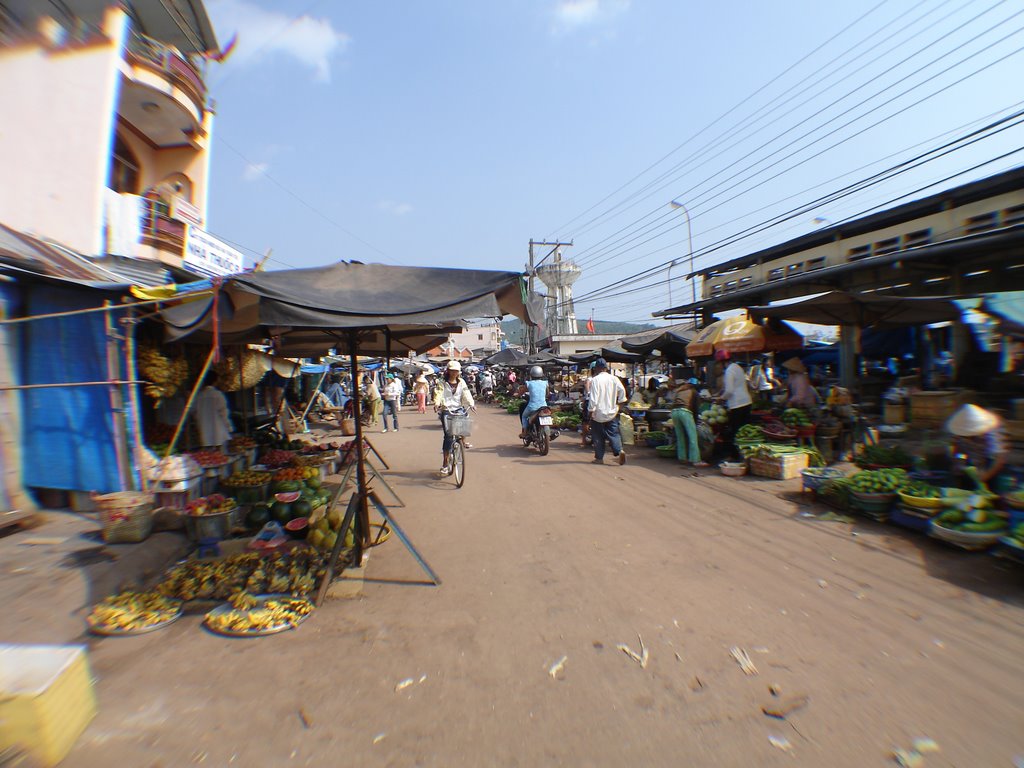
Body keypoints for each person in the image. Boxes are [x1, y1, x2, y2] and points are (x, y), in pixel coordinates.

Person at [946, 404, 1008, 488]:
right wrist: (960, 462)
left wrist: (985, 476)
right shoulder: (959, 432)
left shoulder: (992, 431)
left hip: (990, 464)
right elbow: (959, 452)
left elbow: (1000, 460)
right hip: (971, 464)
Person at [434, 361, 475, 475]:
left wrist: (471, 404)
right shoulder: (442, 382)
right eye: (452, 370)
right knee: (448, 436)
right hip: (447, 409)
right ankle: (445, 463)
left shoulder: (461, 382)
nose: (454, 373)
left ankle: (462, 442)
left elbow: (467, 394)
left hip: (458, 408)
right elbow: (438, 393)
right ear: (448, 371)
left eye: (456, 371)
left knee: (464, 424)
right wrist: (437, 403)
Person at [588, 358, 627, 465]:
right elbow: (622, 390)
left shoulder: (595, 380)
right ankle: (619, 451)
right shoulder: (614, 379)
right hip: (612, 412)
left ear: (596, 368)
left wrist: (591, 411)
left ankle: (599, 458)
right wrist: (620, 402)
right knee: (614, 434)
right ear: (606, 368)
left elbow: (593, 398)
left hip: (598, 414)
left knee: (598, 436)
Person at [716, 350, 752, 460]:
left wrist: (721, 398)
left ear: (722, 362)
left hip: (737, 405)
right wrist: (721, 392)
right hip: (747, 402)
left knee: (734, 431)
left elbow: (730, 391)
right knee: (743, 431)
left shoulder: (729, 371)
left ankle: (734, 456)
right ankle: (746, 455)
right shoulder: (737, 367)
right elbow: (735, 385)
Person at [193, 374, 233, 450]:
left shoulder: (199, 396)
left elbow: (194, 413)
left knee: (207, 456)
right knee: (220, 456)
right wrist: (229, 427)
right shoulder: (218, 395)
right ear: (215, 382)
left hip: (204, 431)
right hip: (218, 432)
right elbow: (224, 413)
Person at [519, 365, 549, 439]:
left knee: (524, 416)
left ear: (531, 375)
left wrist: (518, 394)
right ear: (541, 374)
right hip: (544, 406)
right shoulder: (545, 383)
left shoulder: (529, 383)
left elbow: (522, 392)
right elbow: (547, 394)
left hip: (532, 407)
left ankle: (524, 432)